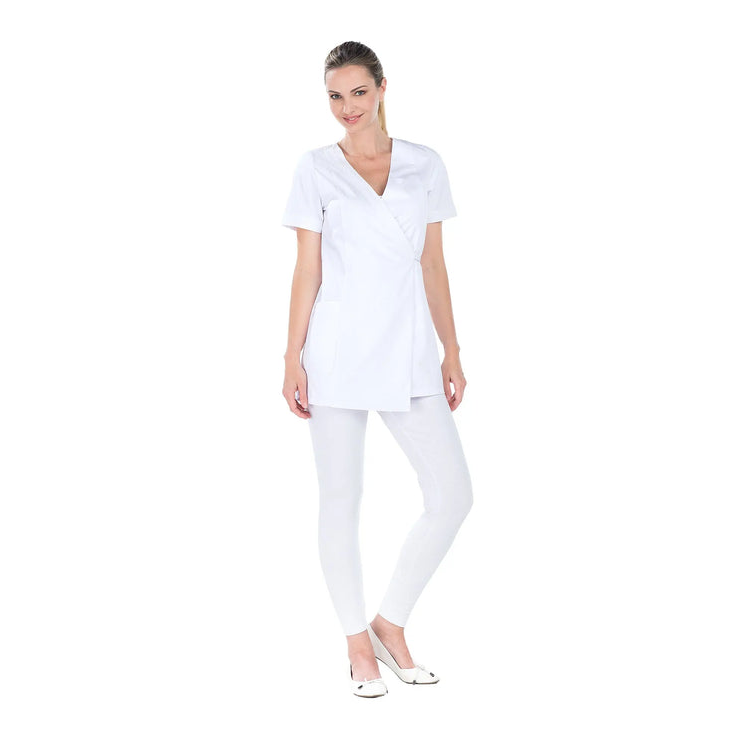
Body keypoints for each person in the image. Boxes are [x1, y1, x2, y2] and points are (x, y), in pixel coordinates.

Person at [281, 41, 473, 698]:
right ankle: (356, 644)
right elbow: (307, 268)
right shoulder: (315, 168)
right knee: (341, 498)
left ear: (383, 88)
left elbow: (433, 263)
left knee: (452, 495)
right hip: (335, 351)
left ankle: (389, 624)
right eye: (335, 96)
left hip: (409, 347)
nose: (347, 108)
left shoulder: (424, 164)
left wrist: (452, 349)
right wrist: (291, 357)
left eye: (358, 92)